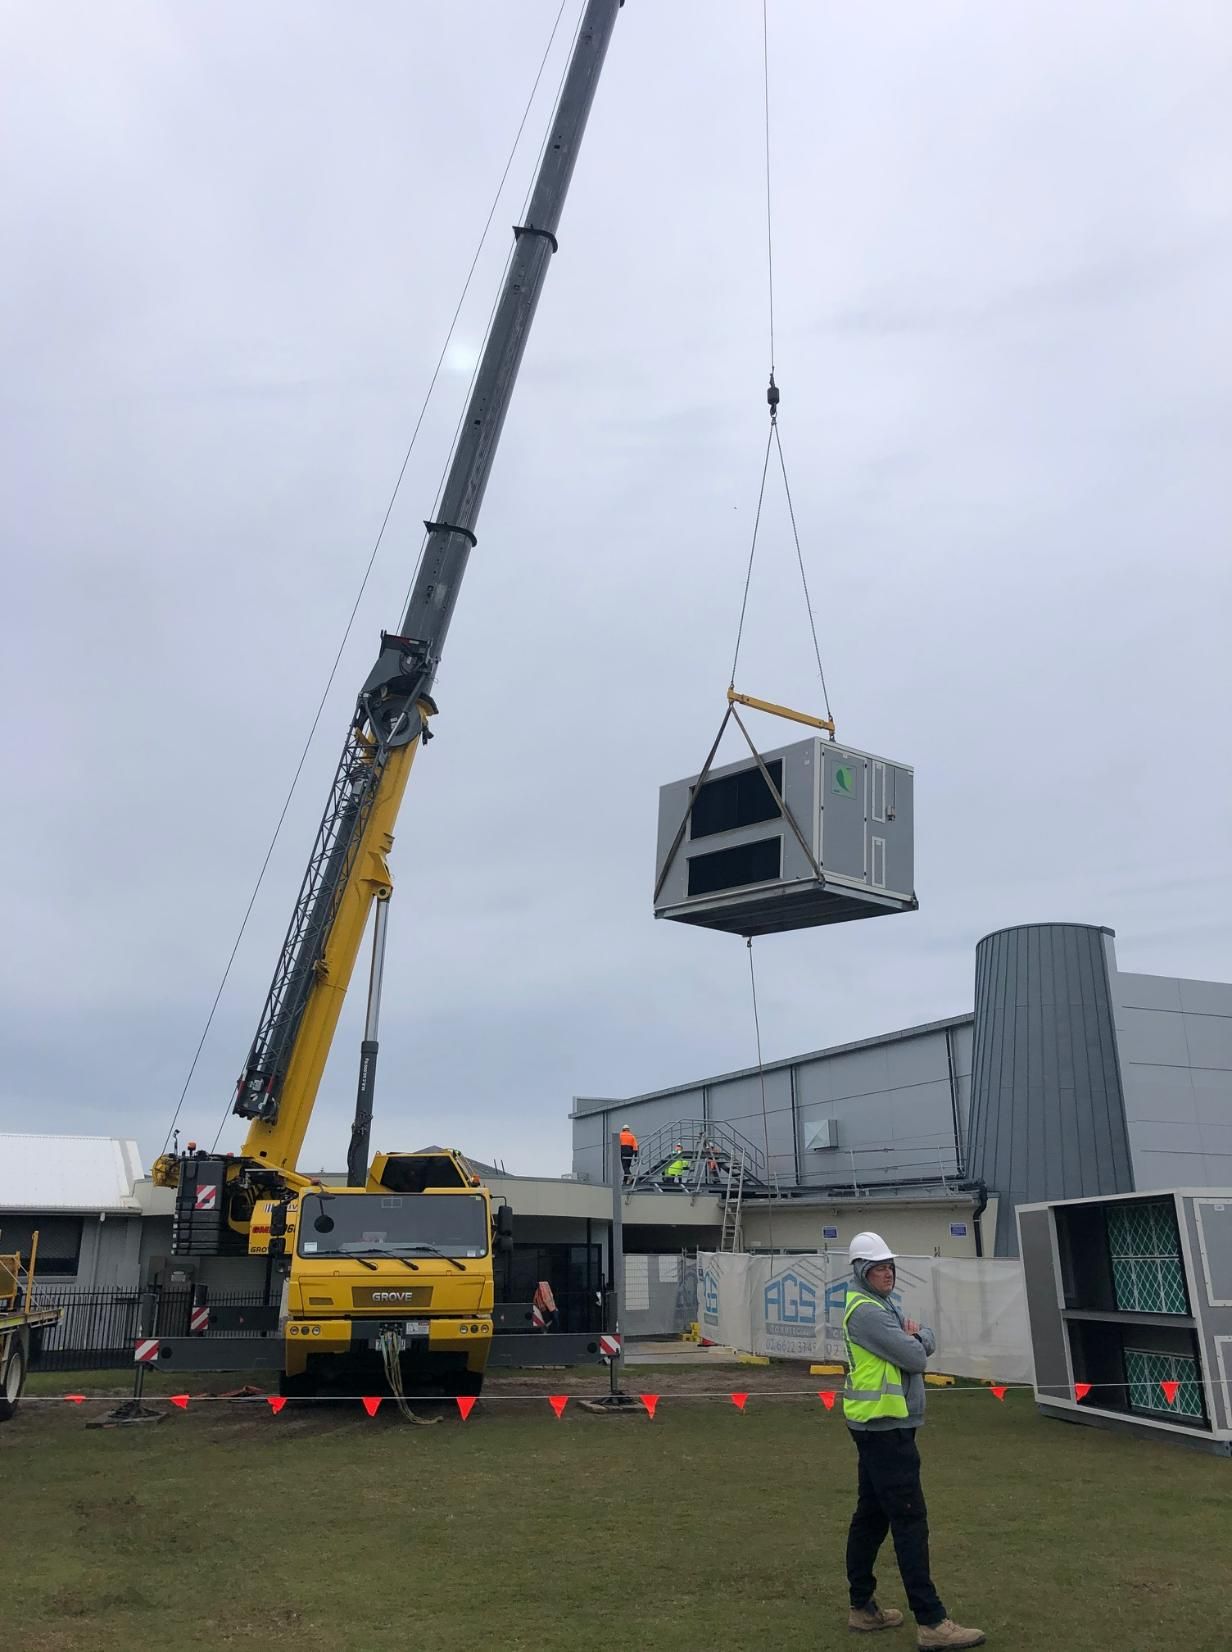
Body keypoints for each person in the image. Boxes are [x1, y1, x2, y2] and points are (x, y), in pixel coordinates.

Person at [842, 1231, 985, 1648]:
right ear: (862, 1271)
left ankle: (862, 1608)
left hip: (878, 1426)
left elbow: (916, 1341)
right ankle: (932, 1622)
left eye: (889, 1266)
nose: (887, 1273)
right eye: (879, 1268)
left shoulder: (875, 1304)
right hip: (886, 1428)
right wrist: (918, 1337)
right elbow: (917, 1355)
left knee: (871, 1517)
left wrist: (916, 1336)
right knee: (909, 1521)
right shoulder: (870, 1312)